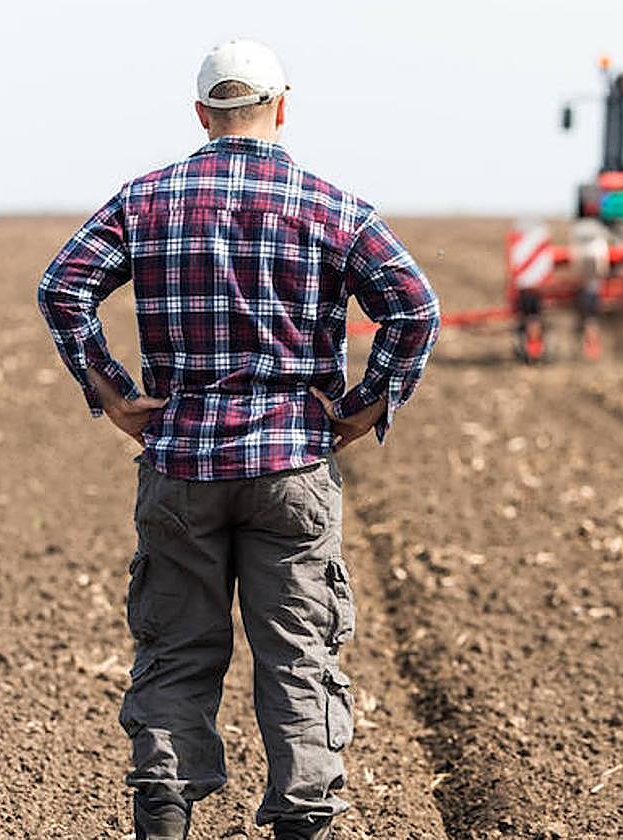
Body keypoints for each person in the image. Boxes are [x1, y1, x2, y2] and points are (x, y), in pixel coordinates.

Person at [37, 39, 439, 840]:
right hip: (293, 462)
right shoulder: (331, 205)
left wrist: (113, 393)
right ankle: (303, 820)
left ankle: (164, 812)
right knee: (299, 655)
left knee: (177, 650)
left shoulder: (147, 199)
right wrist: (362, 408)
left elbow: (63, 287)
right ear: (282, 107)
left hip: (181, 465)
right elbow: (415, 307)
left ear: (201, 115)